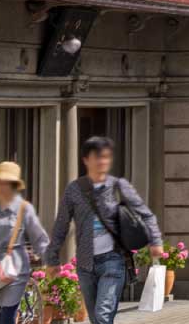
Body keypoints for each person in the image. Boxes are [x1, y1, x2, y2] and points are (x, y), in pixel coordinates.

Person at [47, 137, 164, 324]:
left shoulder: (118, 186)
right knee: (95, 318)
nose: (103, 162)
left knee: (103, 315)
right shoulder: (74, 189)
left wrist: (156, 242)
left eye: (106, 157)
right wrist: (52, 258)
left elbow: (146, 214)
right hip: (85, 263)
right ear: (86, 160)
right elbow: (61, 224)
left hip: (113, 260)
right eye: (98, 157)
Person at [0, 161, 50, 324]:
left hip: (14, 269)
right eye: (0, 182)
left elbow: (39, 237)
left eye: (7, 183)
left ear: (14, 185)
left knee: (7, 318)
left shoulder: (23, 208)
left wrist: (50, 260)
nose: (3, 186)